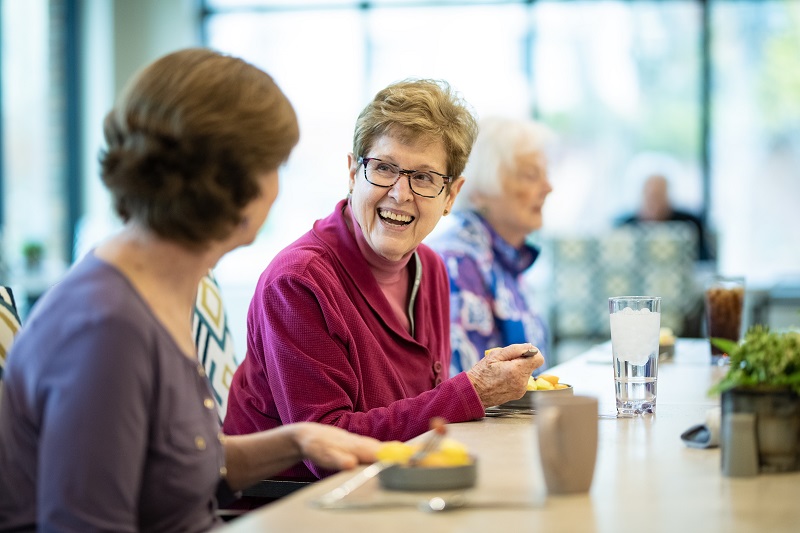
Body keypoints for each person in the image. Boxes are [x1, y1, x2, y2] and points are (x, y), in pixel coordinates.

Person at [0, 48, 379, 533]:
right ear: (231, 186)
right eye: (273, 169)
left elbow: (174, 466)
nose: (277, 189)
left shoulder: (158, 285)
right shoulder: (107, 329)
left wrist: (298, 441)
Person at [223, 79, 545, 480]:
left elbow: (426, 420)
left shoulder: (430, 269)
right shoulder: (298, 283)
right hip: (303, 509)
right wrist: (470, 392)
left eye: (425, 178)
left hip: (397, 489)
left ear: (451, 196)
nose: (400, 193)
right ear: (353, 173)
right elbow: (328, 451)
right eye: (384, 168)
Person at [427, 116, 554, 375]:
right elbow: (465, 386)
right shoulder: (458, 262)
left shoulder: (505, 257)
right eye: (530, 175)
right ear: (480, 188)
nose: (548, 188)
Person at [617, 172, 713, 261]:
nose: (653, 202)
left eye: (658, 195)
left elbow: (704, 261)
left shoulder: (689, 224)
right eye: (649, 196)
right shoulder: (625, 227)